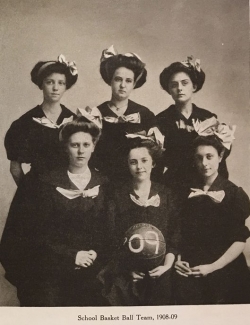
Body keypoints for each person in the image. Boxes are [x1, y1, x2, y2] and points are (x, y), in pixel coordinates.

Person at [0, 116, 110, 306]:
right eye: (75, 145)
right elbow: (40, 235)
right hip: (54, 269)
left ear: (94, 146)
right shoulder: (47, 184)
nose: (81, 150)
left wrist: (94, 254)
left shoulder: (105, 184)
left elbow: (109, 230)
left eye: (86, 144)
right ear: (66, 147)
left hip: (93, 268)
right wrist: (73, 256)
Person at [99, 135, 180, 306]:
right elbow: (111, 237)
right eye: (133, 162)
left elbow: (175, 235)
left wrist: (166, 266)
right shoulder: (116, 196)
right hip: (125, 269)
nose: (139, 167)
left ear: (153, 163)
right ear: (127, 165)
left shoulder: (167, 195)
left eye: (144, 160)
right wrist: (128, 269)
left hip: (162, 267)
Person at [174, 122, 250, 304]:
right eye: (199, 158)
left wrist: (213, 267)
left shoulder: (234, 194)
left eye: (209, 157)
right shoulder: (185, 192)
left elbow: (240, 240)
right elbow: (177, 232)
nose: (204, 163)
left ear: (220, 156)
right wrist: (178, 259)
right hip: (191, 267)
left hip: (225, 269)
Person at [156, 56, 229, 188]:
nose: (179, 88)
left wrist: (219, 185)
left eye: (185, 83)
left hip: (204, 182)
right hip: (175, 183)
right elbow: (158, 160)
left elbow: (219, 156)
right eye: (174, 85)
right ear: (169, 90)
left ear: (194, 86)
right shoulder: (161, 120)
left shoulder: (208, 117)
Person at [4, 54, 78, 186]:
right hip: (37, 192)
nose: (55, 88)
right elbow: (15, 168)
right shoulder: (24, 123)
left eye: (61, 83)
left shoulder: (75, 121)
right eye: (50, 82)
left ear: (66, 87)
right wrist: (28, 194)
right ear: (41, 85)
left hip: (69, 190)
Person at [93, 45, 156, 183]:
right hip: (102, 181)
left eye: (128, 81)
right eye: (118, 79)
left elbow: (153, 155)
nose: (123, 85)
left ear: (134, 84)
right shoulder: (96, 114)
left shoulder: (145, 115)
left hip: (135, 182)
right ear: (110, 80)